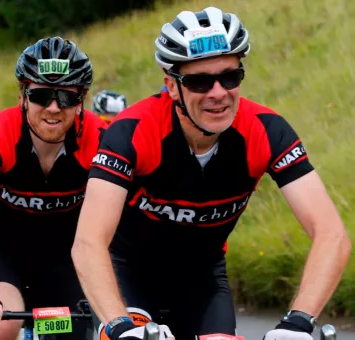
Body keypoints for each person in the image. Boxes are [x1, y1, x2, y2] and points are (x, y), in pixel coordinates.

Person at [71, 6, 351, 340]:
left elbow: (331, 234)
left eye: (230, 77)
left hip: (202, 278)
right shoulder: (132, 131)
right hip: (128, 274)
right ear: (172, 87)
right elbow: (88, 242)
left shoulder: (266, 131)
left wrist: (298, 322)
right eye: (200, 82)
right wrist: (118, 325)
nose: (218, 93)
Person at [0, 36, 107, 340]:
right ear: (23, 96)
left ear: (82, 100)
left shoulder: (101, 138)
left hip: (69, 259)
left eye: (66, 97)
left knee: (78, 330)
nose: (53, 108)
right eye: (41, 95)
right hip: (5, 257)